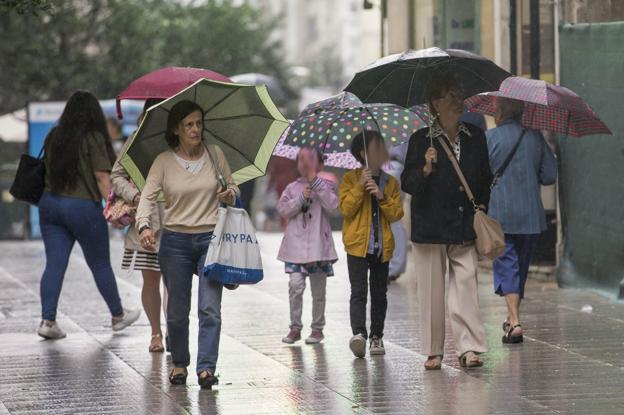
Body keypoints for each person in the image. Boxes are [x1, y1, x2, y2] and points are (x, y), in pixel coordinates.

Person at [136, 100, 238, 389]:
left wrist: (229, 193)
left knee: (209, 308)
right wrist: (144, 225)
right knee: (178, 311)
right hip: (175, 241)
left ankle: (206, 368)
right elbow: (147, 196)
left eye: (199, 123)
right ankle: (179, 362)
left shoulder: (215, 155)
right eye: (189, 125)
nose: (196, 129)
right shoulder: (163, 162)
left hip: (211, 240)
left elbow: (233, 187)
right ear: (177, 130)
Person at [401, 72, 493, 370]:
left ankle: (469, 348)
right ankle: (433, 351)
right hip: (429, 227)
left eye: (459, 95)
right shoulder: (420, 141)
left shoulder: (475, 136)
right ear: (434, 104)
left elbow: (484, 178)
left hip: (463, 223)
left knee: (466, 285)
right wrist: (426, 168)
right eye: (449, 96)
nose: (457, 101)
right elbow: (408, 184)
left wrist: (481, 202)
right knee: (431, 291)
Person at [37, 90, 140, 340]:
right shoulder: (93, 138)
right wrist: (115, 207)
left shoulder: (55, 135)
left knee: (54, 263)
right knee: (100, 263)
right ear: (93, 113)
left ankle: (47, 320)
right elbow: (102, 177)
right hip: (81, 207)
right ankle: (117, 315)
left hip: (50, 205)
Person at [486, 97, 557, 344]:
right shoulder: (535, 137)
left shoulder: (490, 138)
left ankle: (514, 321)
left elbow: (480, 176)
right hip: (530, 216)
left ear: (501, 112)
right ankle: (511, 317)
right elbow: (549, 175)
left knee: (506, 264)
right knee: (520, 268)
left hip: (499, 214)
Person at [339, 131, 403, 358]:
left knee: (379, 293)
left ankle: (377, 336)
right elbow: (345, 210)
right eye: (375, 148)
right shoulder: (349, 179)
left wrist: (381, 196)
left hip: (381, 247)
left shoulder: (391, 182)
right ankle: (359, 334)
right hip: (357, 246)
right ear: (361, 153)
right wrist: (359, 186)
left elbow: (397, 214)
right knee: (358, 291)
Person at [111, 98, 168, 353]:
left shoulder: (181, 142)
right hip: (146, 221)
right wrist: (135, 196)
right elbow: (117, 175)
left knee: (175, 282)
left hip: (179, 219)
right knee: (151, 279)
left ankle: (174, 332)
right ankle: (156, 333)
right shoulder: (135, 141)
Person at [278, 148, 338, 345]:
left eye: (310, 159)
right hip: (295, 247)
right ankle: (295, 327)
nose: (304, 162)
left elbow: (333, 205)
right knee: (295, 286)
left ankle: (317, 328)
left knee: (318, 291)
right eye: (301, 159)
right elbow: (284, 210)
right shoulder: (291, 188)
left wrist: (316, 183)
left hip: (319, 248)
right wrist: (301, 198)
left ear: (320, 164)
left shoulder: (326, 184)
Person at [383, 143, 409, 281]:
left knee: (392, 217)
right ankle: (394, 266)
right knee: (393, 217)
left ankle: (393, 267)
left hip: (392, 166)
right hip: (393, 166)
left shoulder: (389, 126)